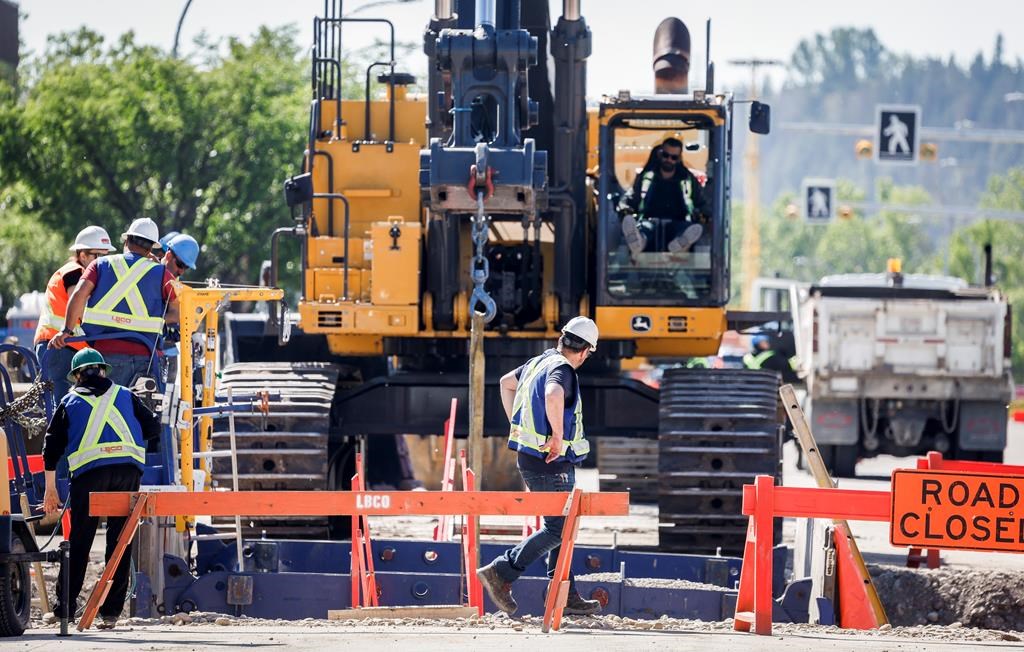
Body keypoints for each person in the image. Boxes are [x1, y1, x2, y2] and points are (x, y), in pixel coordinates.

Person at [475, 316, 602, 617]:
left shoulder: (537, 363)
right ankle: (502, 571)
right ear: (585, 351)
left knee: (564, 526)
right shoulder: (562, 369)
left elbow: (506, 384)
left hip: (533, 459)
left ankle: (565, 593)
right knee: (558, 529)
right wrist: (556, 436)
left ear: (562, 339)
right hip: (550, 463)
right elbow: (553, 393)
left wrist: (518, 426)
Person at [41, 348, 161, 629]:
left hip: (89, 477)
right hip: (127, 473)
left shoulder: (69, 401)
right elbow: (154, 429)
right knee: (120, 542)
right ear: (103, 371)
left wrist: (50, 490)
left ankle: (66, 611)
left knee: (80, 542)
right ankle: (110, 614)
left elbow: (51, 448)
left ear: (78, 376)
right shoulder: (126, 395)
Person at [49, 217, 179, 387]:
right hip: (146, 357)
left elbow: (79, 295)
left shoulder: (99, 264)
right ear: (150, 249)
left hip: (104, 357)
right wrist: (157, 318)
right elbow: (178, 313)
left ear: (127, 240)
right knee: (143, 411)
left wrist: (66, 330)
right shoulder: (162, 273)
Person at [33, 226, 117, 402]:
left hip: (61, 344)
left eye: (104, 256)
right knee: (65, 402)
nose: (101, 261)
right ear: (83, 255)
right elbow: (78, 300)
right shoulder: (75, 272)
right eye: (97, 255)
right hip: (59, 344)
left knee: (67, 401)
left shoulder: (81, 272)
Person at [618, 137, 711, 256]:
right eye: (666, 155)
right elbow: (631, 196)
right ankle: (638, 242)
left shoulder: (687, 179)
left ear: (678, 159)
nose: (669, 160)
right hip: (650, 220)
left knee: (685, 229)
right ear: (660, 154)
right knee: (644, 229)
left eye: (674, 157)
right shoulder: (647, 177)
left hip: (678, 222)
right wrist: (625, 209)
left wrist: (705, 214)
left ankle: (680, 244)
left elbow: (701, 201)